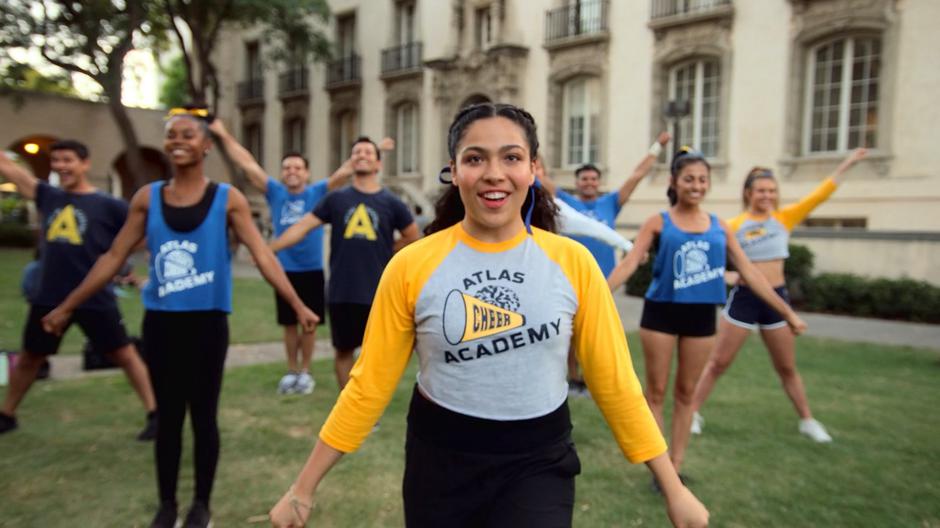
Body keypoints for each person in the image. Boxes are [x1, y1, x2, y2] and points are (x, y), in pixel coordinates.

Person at [268, 103, 709, 528]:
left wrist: (672, 487)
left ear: (533, 169)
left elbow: (615, 382)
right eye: (475, 158)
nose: (494, 173)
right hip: (440, 459)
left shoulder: (572, 262)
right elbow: (369, 386)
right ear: (454, 170)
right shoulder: (411, 265)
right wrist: (303, 487)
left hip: (539, 461)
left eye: (512, 157)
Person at [41, 107, 320, 528]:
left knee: (204, 416)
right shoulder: (147, 198)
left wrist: (297, 304)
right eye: (171, 135)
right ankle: (167, 505)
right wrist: (67, 305)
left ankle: (200, 506)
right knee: (169, 417)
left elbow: (263, 255)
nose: (178, 141)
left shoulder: (228, 199)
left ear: (206, 145)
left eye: (188, 135)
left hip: (207, 323)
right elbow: (114, 256)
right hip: (162, 323)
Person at [607, 147, 807, 482]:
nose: (696, 185)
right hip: (661, 313)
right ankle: (662, 473)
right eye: (689, 179)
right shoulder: (658, 222)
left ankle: (677, 465)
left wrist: (787, 312)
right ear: (675, 181)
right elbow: (629, 263)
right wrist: (593, 296)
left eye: (702, 179)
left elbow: (751, 273)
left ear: (708, 184)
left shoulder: (720, 227)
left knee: (686, 394)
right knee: (655, 393)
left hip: (701, 318)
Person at [689, 148, 868, 443]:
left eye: (772, 190)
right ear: (748, 193)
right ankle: (693, 412)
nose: (767, 195)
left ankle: (807, 420)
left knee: (786, 367)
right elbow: (708, 261)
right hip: (745, 300)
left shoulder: (784, 218)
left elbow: (821, 194)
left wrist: (847, 163)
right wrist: (729, 276)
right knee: (718, 363)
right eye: (761, 190)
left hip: (777, 299)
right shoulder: (733, 225)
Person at [0, 143, 157, 440]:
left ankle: (155, 413)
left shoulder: (108, 205)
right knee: (31, 356)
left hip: (94, 296)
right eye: (56, 160)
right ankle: (6, 414)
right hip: (49, 294)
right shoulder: (49, 196)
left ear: (85, 164)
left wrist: (118, 256)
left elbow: (144, 233)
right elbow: (11, 169)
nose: (61, 166)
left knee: (124, 354)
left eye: (68, 160)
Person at [209, 118, 353, 395]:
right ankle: (291, 370)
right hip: (282, 269)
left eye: (298, 168)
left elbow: (345, 171)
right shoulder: (275, 192)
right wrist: (222, 134)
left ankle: (306, 373)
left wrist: (375, 150)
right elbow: (247, 163)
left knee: (308, 324)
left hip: (311, 269)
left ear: (307, 173)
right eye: (287, 168)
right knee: (288, 324)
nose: (292, 172)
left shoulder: (317, 192)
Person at [271, 136, 419, 390]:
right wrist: (267, 249)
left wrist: (387, 252)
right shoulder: (336, 200)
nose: (362, 155)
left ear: (378, 164)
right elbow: (302, 227)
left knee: (377, 357)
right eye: (356, 152)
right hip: (342, 291)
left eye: (368, 152)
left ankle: (369, 412)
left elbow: (412, 236)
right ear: (351, 161)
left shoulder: (392, 202)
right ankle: (347, 409)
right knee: (343, 353)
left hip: (378, 291)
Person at [539, 133, 670, 395]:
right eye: (584, 179)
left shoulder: (610, 203)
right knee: (570, 330)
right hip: (571, 277)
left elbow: (636, 176)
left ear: (599, 183)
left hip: (606, 280)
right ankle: (574, 379)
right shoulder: (565, 202)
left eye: (593, 179)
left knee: (599, 331)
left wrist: (658, 147)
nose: (589, 182)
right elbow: (539, 176)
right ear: (577, 182)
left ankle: (595, 379)